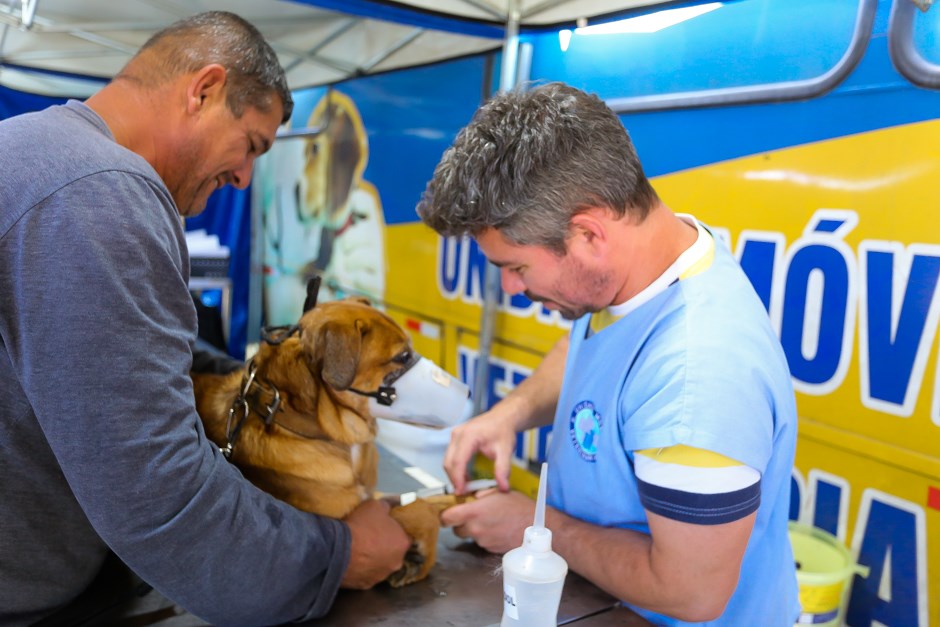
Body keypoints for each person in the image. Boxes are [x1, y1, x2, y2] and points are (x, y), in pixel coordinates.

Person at [0, 11, 409, 626]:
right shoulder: (99, 193)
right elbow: (157, 499)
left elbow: (135, 359)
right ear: (204, 90)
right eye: (251, 146)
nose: (245, 179)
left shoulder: (32, 149)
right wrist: (339, 554)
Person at [417, 82, 800, 625]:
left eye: (517, 267)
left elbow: (691, 593)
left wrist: (537, 528)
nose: (509, 288)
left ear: (589, 234)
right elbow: (594, 348)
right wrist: (512, 414)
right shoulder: (638, 269)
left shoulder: (701, 374)